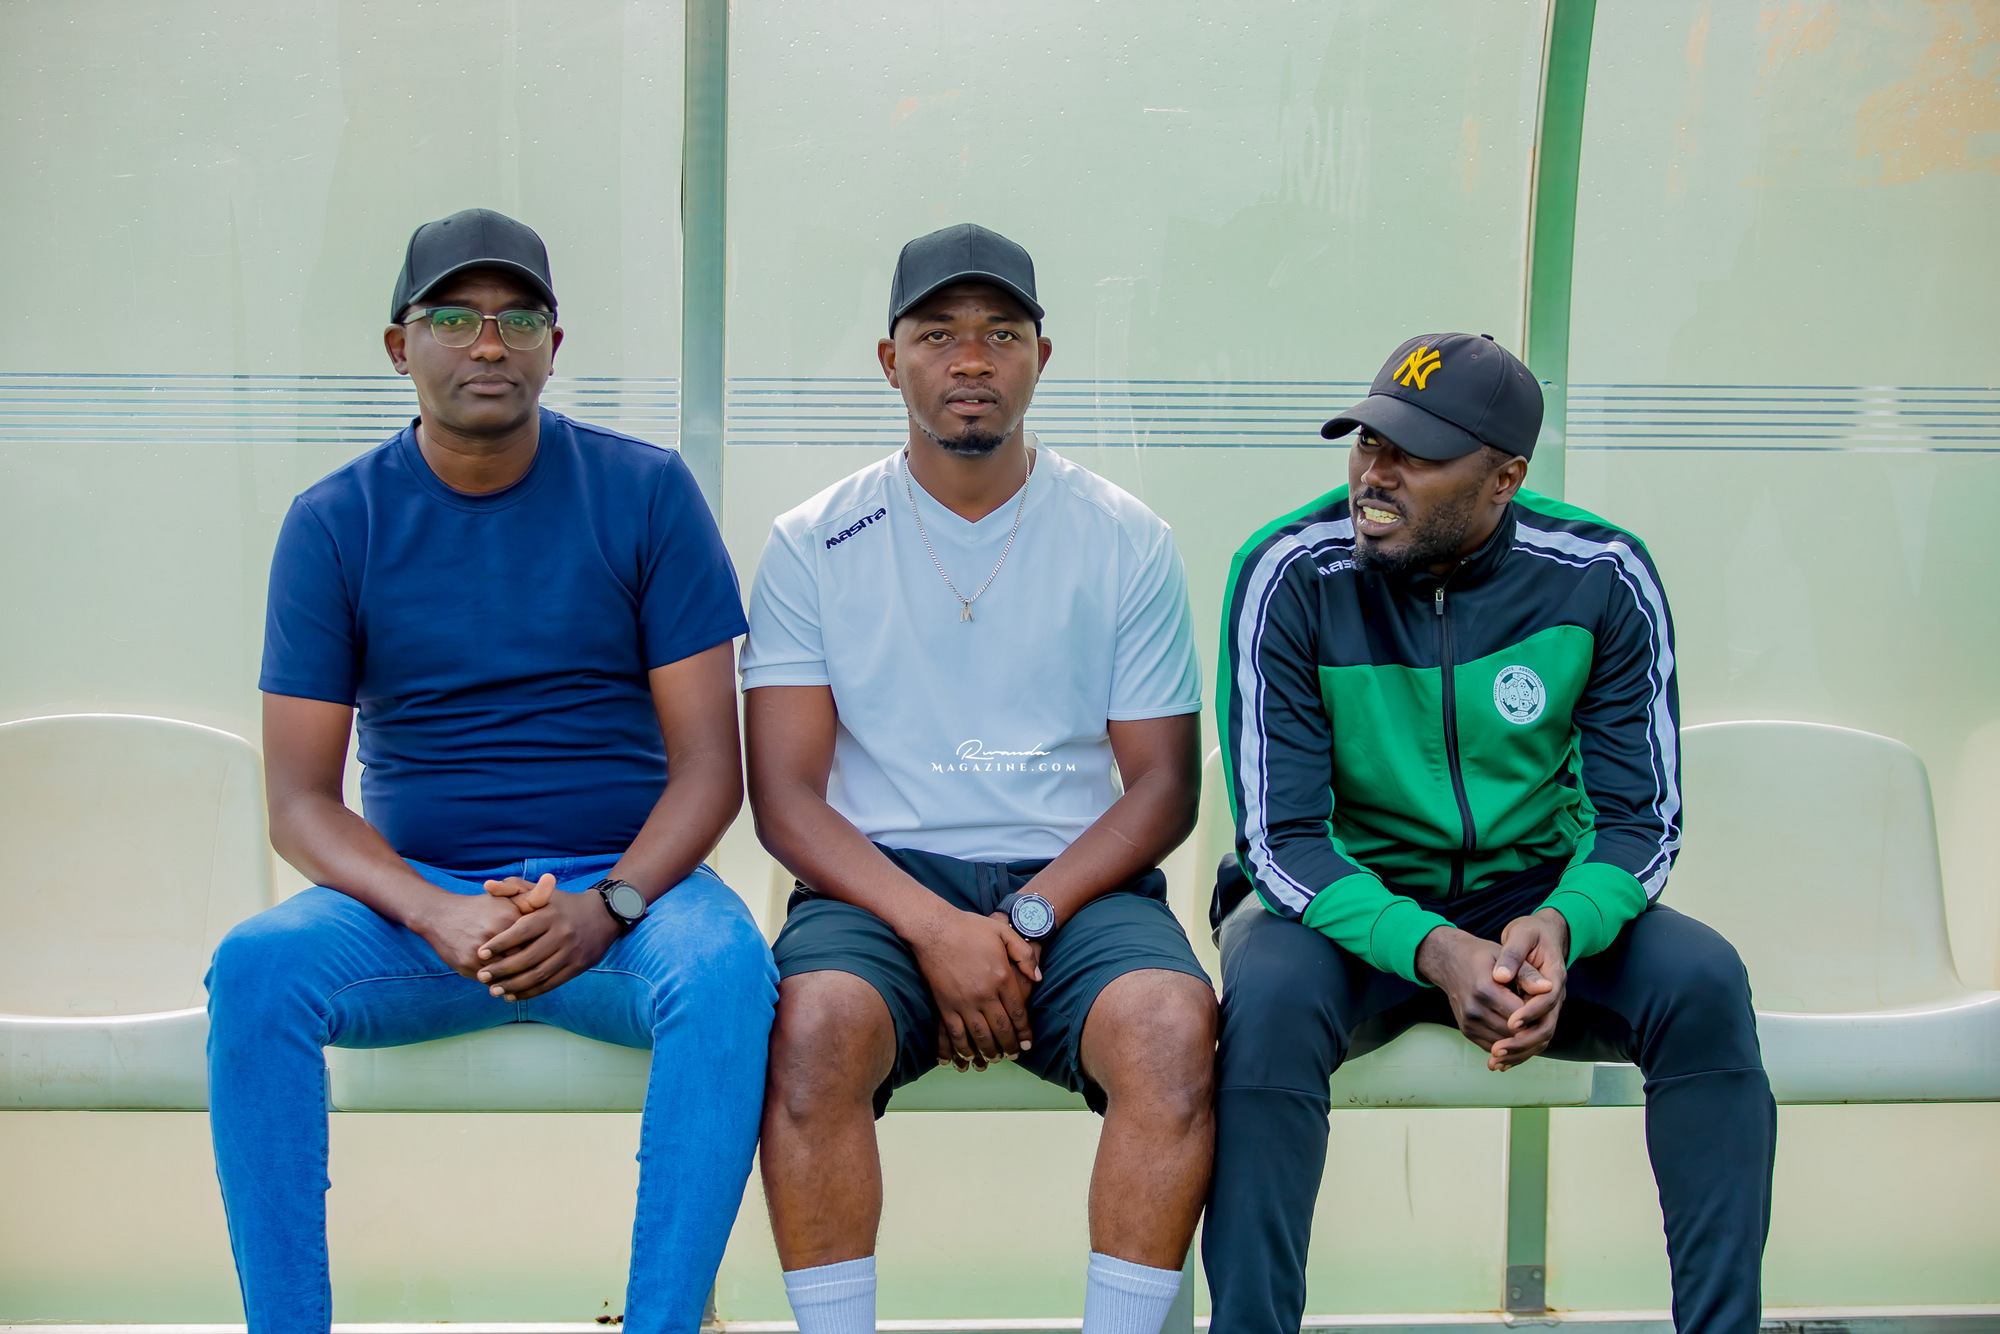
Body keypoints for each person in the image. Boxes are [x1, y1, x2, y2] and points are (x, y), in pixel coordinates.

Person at [206, 208, 775, 1334]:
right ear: (398, 345)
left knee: (726, 972)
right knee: (257, 970)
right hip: (418, 914)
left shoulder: (644, 493)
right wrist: (435, 911)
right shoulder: (334, 523)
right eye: (453, 317)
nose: (488, 344)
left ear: (554, 346)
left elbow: (713, 769)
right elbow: (300, 802)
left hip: (626, 902)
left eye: (519, 319)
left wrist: (608, 907)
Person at [1204, 334, 1775, 1333]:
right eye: (1367, 441)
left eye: (1414, 454)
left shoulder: (1601, 574)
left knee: (1702, 980)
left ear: (1503, 478)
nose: (1374, 474)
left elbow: (1639, 820)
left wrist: (1562, 924)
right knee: (1269, 999)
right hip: (1346, 904)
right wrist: (1433, 946)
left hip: (1529, 900)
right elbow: (1280, 840)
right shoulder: (1287, 573)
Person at [741, 224, 1216, 1334]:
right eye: (937, 334)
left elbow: (1161, 786)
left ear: (1040, 358)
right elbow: (787, 796)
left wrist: (1025, 915)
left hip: (1075, 885)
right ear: (888, 358)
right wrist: (936, 929)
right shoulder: (813, 540)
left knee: (1169, 1027)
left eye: (1001, 334)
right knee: (811, 1028)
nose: (969, 359)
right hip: (877, 885)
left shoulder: (1124, 536)